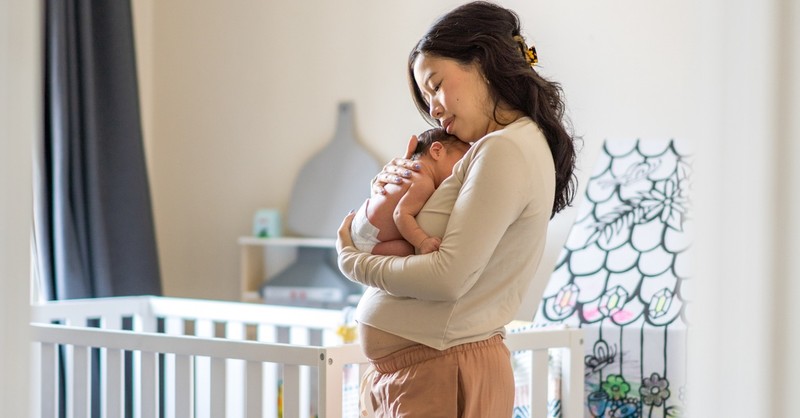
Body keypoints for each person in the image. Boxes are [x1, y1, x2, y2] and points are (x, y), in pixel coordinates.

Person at [336, 1, 578, 416]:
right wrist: (387, 191)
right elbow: (401, 239)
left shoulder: (504, 149)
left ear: (481, 62)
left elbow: (447, 277)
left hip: (442, 370)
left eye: (435, 85)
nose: (433, 108)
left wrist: (352, 263)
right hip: (421, 371)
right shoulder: (492, 149)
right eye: (426, 97)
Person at [351, 127, 470, 256]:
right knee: (410, 250)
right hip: (368, 239)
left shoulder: (409, 171)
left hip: (361, 222)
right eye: (462, 163)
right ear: (437, 151)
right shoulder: (424, 182)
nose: (465, 172)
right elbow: (400, 214)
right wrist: (423, 242)